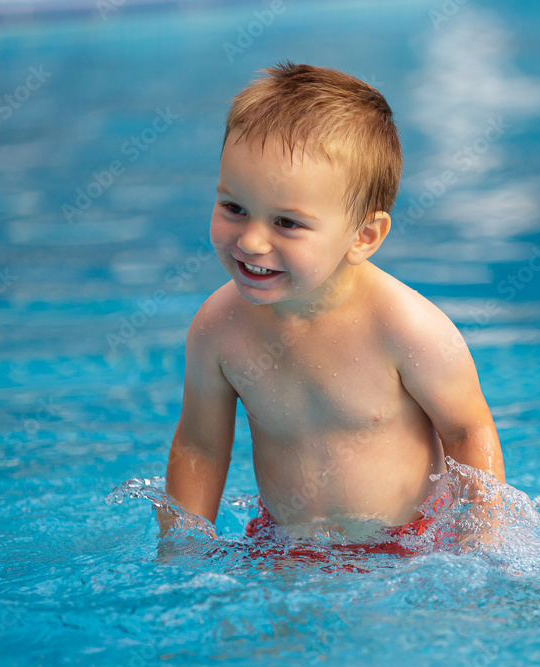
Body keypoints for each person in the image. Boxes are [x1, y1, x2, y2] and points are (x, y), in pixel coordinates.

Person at [158, 62, 505, 548]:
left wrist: (480, 542)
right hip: (287, 546)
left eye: (287, 223)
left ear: (363, 236)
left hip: (412, 547)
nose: (252, 241)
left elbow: (468, 430)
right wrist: (181, 552)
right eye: (234, 208)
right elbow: (200, 446)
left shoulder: (404, 327)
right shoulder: (219, 328)